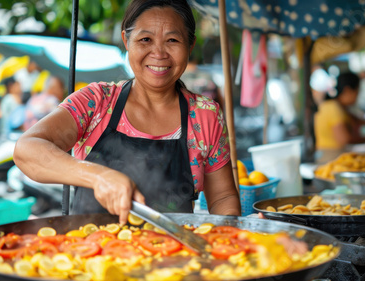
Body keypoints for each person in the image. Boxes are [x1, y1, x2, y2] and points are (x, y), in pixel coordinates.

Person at [13, 0, 241, 225]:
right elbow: (27, 149)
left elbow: (223, 197)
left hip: (175, 257)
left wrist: (229, 236)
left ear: (190, 46)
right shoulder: (96, 102)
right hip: (91, 255)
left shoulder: (206, 115)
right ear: (126, 41)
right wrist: (98, 176)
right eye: (145, 39)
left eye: (172, 40)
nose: (159, 53)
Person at [314, 72, 365, 163]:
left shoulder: (339, 108)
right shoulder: (333, 108)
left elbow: (356, 127)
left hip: (331, 156)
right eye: (357, 91)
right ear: (348, 90)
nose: (358, 96)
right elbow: (345, 138)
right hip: (330, 158)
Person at [0, 77, 23, 141]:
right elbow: (18, 120)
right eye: (18, 85)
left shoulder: (7, 98)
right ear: (10, 86)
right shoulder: (11, 98)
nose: (20, 87)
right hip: (10, 134)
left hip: (6, 133)